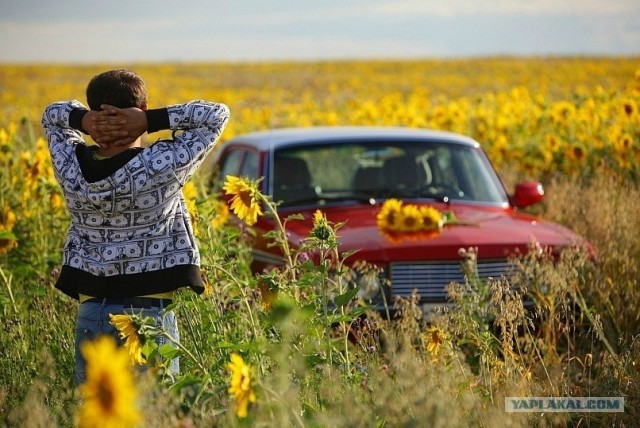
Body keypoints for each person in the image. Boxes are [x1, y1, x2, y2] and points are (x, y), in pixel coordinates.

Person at [42, 69, 230, 383]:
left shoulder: (71, 166)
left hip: (92, 311)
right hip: (149, 313)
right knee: (153, 412)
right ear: (139, 111)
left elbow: (52, 115)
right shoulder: (160, 164)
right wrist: (151, 121)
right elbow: (216, 115)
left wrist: (85, 120)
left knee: (99, 412)